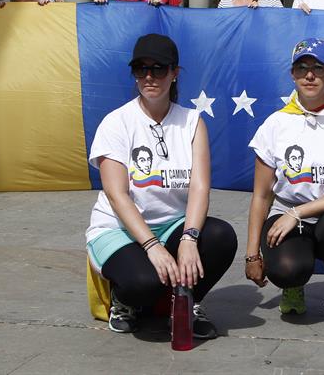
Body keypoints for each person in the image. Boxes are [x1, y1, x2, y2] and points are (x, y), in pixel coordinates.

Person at [86, 33, 237, 339]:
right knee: (144, 284)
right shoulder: (116, 123)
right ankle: (123, 300)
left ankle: (187, 301)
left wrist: (190, 238)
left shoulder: (193, 122)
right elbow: (117, 195)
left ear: (175, 73)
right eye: (141, 69)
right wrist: (152, 247)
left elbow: (199, 187)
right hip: (119, 229)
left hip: (172, 226)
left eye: (159, 68)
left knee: (221, 236)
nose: (150, 76)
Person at [245, 38, 324, 329]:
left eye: (318, 67)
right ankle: (293, 285)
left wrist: (298, 214)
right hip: (287, 213)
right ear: (292, 74)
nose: (310, 75)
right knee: (288, 269)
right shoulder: (275, 124)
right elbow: (261, 195)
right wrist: (252, 254)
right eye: (302, 68)